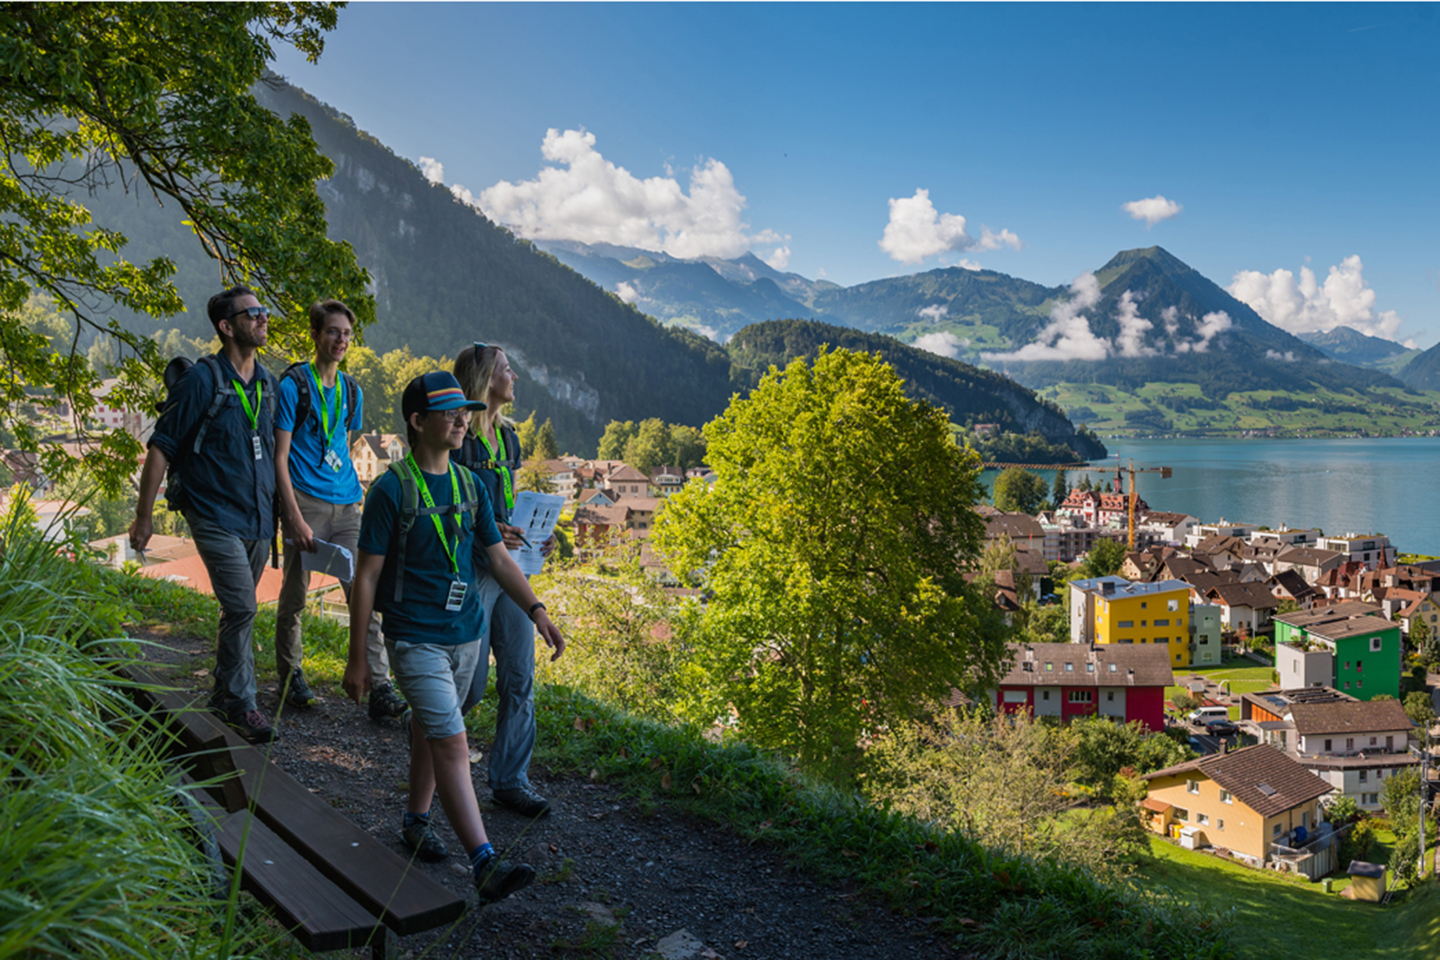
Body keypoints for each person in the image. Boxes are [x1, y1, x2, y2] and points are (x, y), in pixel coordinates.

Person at [342, 371, 565, 903]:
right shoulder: (391, 489)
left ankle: (417, 819)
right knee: (453, 739)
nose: (463, 418)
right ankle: (484, 862)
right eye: (449, 412)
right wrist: (359, 658)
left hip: (466, 633)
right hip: (414, 638)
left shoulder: (471, 486)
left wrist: (535, 609)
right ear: (418, 422)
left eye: (464, 409)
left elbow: (497, 556)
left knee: (432, 726)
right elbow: (367, 576)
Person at [130, 285, 280, 744]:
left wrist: (287, 513)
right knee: (243, 606)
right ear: (226, 325)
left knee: (237, 611)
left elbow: (275, 452)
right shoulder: (202, 380)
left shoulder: (268, 382)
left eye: (263, 311)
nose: (262, 318)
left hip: (257, 517)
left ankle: (221, 692)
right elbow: (161, 447)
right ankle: (243, 705)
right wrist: (144, 516)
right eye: (251, 313)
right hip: (212, 512)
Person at [272, 299, 405, 720]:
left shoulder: (351, 390)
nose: (341, 340)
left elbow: (342, 444)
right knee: (295, 596)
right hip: (304, 503)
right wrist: (291, 514)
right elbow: (280, 455)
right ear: (315, 334)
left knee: (363, 593)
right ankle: (291, 674)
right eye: (332, 331)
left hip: (347, 504)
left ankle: (381, 686)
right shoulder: (294, 386)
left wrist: (352, 491)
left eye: (346, 333)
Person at [451, 342, 559, 818]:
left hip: (513, 570)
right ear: (484, 380)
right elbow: (448, 506)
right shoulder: (457, 437)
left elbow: (506, 504)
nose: (514, 377)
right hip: (473, 571)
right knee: (468, 686)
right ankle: (434, 753)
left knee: (520, 675)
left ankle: (511, 780)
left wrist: (536, 536)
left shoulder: (510, 438)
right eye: (507, 370)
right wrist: (487, 538)